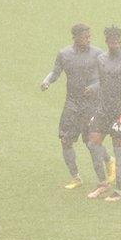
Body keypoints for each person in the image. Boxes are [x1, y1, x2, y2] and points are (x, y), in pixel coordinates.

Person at [41, 24, 102, 189]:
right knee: (66, 140)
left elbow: (105, 77)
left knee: (92, 142)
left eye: (89, 37)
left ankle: (103, 176)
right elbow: (55, 72)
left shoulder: (97, 54)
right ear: (75, 37)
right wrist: (47, 81)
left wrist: (95, 88)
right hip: (72, 103)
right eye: (85, 37)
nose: (88, 40)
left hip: (90, 105)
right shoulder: (64, 54)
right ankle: (76, 177)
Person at [85, 26, 121, 202]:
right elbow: (102, 82)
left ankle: (119, 190)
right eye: (112, 41)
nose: (115, 44)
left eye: (118, 42)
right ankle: (103, 183)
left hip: (120, 111)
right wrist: (93, 88)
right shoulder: (101, 59)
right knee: (93, 144)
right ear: (107, 42)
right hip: (103, 109)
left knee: (119, 149)